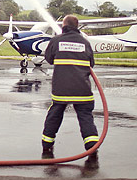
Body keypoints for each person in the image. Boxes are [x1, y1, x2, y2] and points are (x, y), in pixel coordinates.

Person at [41, 15, 99, 163]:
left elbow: (48, 58)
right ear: (77, 26)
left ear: (64, 25)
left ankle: (47, 144)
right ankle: (92, 146)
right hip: (82, 89)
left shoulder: (56, 41)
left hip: (62, 88)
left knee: (55, 114)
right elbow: (91, 63)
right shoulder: (85, 43)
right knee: (86, 117)